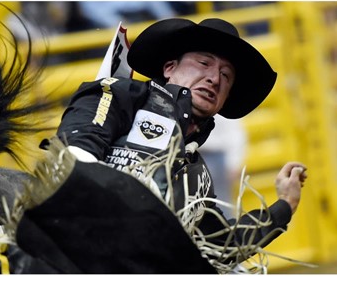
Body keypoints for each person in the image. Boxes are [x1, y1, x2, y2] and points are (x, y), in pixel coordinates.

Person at [53, 18, 307, 272]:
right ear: (169, 68)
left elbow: (219, 248)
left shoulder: (198, 178)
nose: (214, 79)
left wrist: (284, 206)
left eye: (225, 75)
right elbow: (77, 146)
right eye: (204, 63)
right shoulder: (122, 95)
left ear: (225, 98)